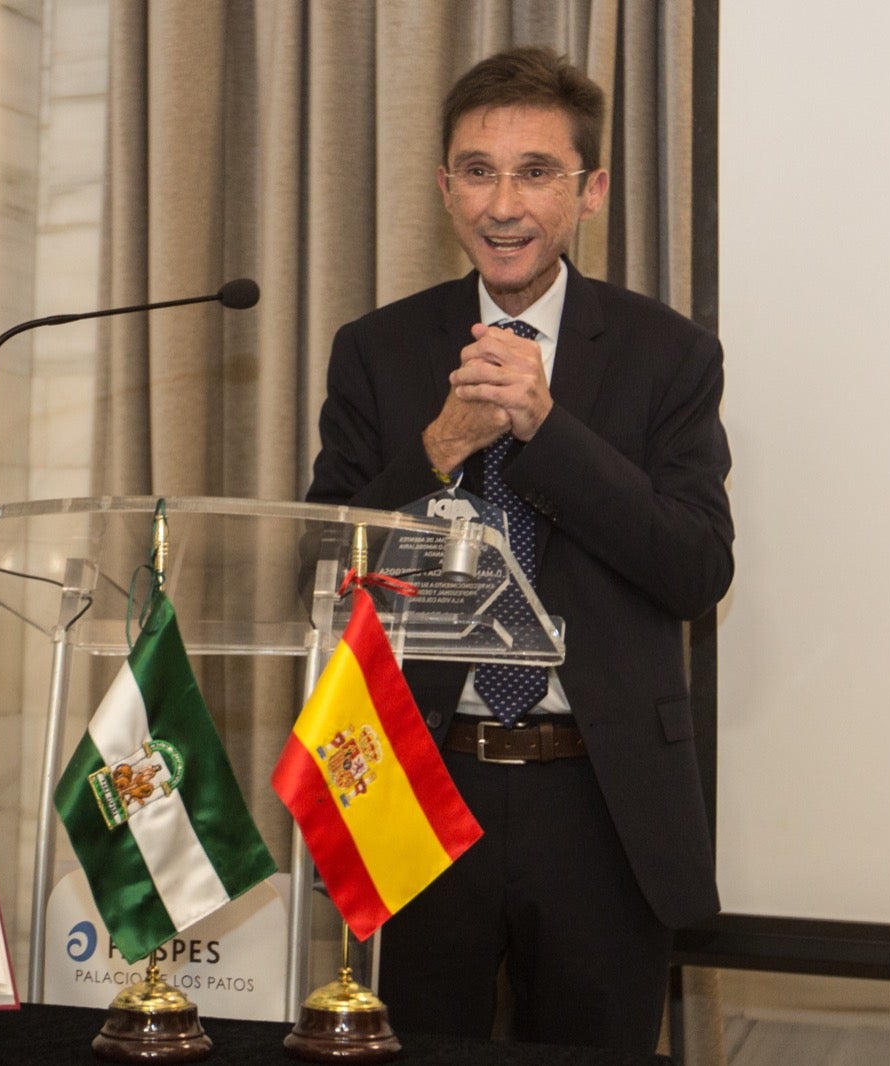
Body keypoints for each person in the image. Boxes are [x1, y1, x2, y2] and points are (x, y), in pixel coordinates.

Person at [306, 46, 733, 1052]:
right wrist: (438, 448)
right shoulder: (378, 348)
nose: (504, 205)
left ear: (590, 191)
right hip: (421, 778)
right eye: (478, 171)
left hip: (601, 796)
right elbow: (323, 568)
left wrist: (547, 429)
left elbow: (694, 569)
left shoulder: (667, 353)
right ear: (444, 187)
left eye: (536, 172)